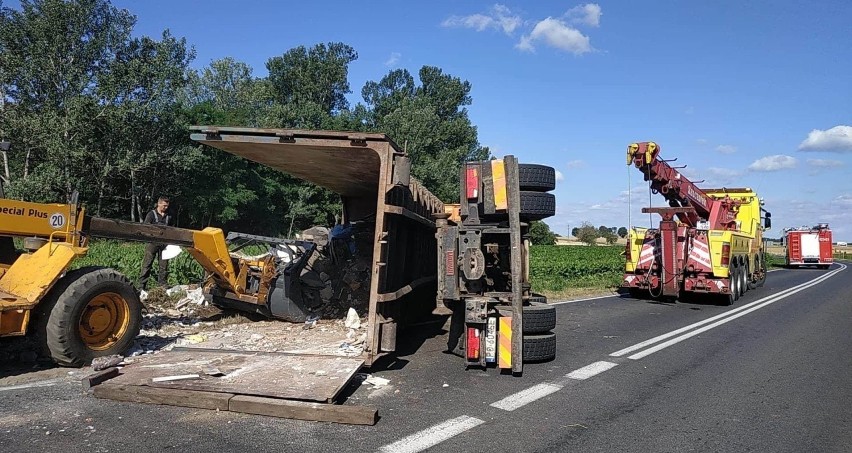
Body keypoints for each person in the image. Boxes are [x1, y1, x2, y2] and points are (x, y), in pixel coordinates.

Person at [139, 196, 171, 290]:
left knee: (164, 266)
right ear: (159, 204)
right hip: (152, 243)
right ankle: (142, 286)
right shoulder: (151, 214)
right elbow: (145, 227)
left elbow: (172, 230)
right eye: (164, 206)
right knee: (147, 264)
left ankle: (162, 286)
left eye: (167, 206)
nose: (166, 208)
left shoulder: (168, 216)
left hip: (164, 244)